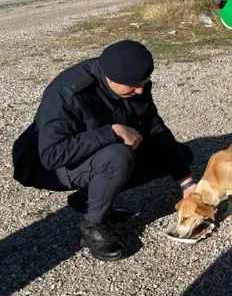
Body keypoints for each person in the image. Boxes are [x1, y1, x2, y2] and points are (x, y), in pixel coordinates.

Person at [11, 40, 197, 262]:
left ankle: (89, 200)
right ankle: (93, 228)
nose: (140, 90)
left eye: (144, 82)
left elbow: (156, 129)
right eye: (133, 86)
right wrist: (112, 132)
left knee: (180, 155)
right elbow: (52, 155)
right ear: (110, 79)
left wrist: (186, 182)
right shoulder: (66, 93)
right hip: (44, 164)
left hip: (90, 151)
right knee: (118, 157)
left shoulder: (134, 81)